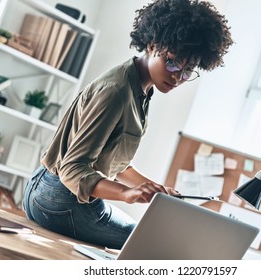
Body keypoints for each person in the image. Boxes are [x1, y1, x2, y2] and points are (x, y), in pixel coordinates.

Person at [22, 0, 233, 250]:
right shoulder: (116, 92)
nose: (177, 76)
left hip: (52, 194)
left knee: (149, 241)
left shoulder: (140, 88)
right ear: (153, 44)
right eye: (173, 62)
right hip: (59, 198)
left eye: (188, 71)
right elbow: (72, 169)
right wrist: (125, 193)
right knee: (153, 245)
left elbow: (113, 160)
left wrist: (155, 190)